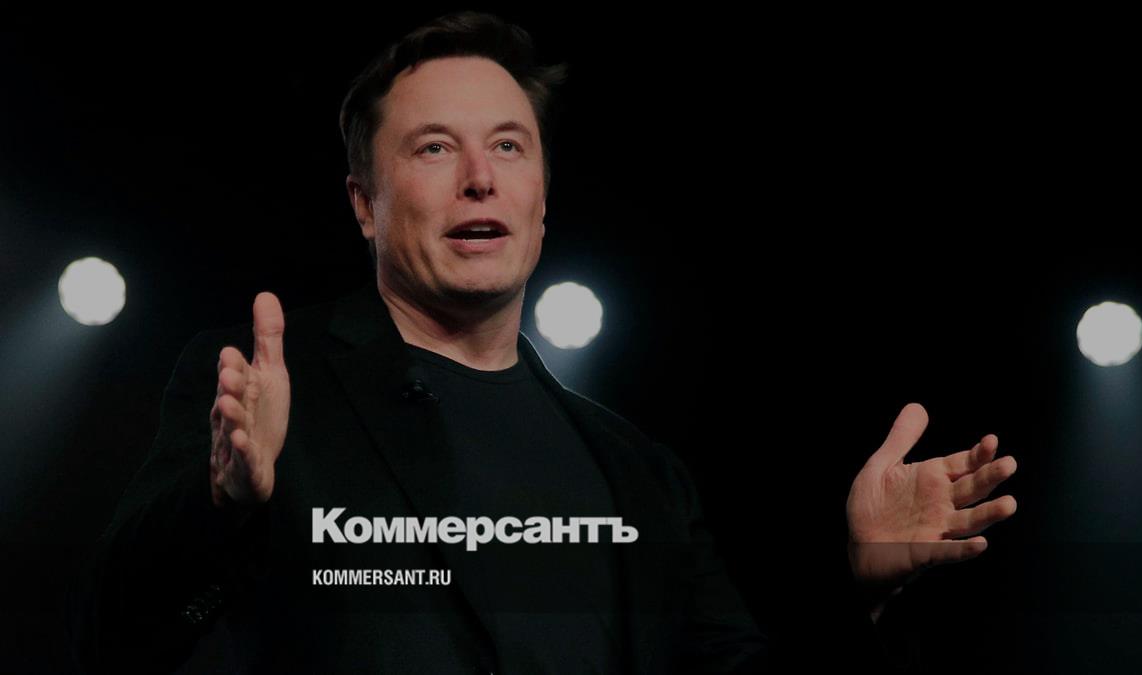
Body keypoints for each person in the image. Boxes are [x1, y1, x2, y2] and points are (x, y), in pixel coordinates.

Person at [68, 10, 1017, 674]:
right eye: (434, 147)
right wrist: (224, 506)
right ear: (364, 204)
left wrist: (857, 587)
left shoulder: (639, 473)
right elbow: (115, 636)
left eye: (509, 145)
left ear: (542, 195)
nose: (480, 177)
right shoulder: (266, 387)